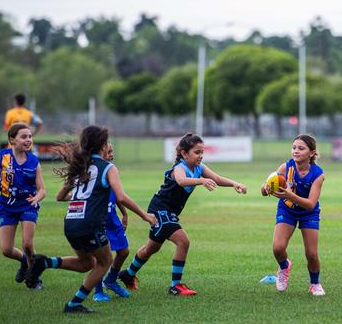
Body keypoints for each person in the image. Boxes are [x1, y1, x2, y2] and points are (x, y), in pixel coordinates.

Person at [26, 126, 157, 314]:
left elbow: (60, 196)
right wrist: (145, 216)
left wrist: (84, 198)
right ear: (102, 145)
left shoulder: (80, 166)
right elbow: (121, 196)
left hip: (71, 222)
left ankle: (45, 263)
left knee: (86, 264)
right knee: (104, 262)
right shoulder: (108, 168)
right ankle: (73, 304)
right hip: (90, 224)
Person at [118, 133, 247, 296]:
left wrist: (235, 184)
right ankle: (176, 285)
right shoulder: (180, 168)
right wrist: (201, 181)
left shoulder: (199, 167)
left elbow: (217, 178)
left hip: (169, 212)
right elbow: (181, 180)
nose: (200, 156)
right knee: (183, 241)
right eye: (197, 152)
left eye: (202, 152)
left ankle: (128, 274)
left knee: (152, 248)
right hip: (160, 211)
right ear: (184, 154)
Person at [0, 122, 46, 289]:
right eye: (23, 137)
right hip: (7, 206)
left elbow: (42, 190)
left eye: (30, 136)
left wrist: (36, 199)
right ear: (12, 139)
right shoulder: (1, 157)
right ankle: (26, 262)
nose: (28, 140)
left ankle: (34, 277)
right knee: (6, 250)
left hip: (27, 205)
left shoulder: (34, 162)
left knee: (27, 244)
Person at [261, 134, 326, 295]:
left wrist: (291, 195)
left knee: (311, 254)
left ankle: (315, 284)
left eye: (301, 148)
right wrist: (266, 188)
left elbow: (310, 204)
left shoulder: (318, 174)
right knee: (278, 248)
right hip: (287, 209)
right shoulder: (285, 167)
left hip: (308, 213)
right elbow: (264, 189)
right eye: (294, 147)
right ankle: (284, 267)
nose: (296, 151)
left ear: (311, 153)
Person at [91, 142, 133, 302]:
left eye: (112, 151)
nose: (111, 155)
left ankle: (110, 280)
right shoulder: (94, 171)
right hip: (98, 220)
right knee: (100, 256)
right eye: (108, 152)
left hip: (112, 218)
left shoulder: (112, 169)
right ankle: (98, 290)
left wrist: (124, 214)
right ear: (99, 153)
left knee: (124, 251)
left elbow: (118, 195)